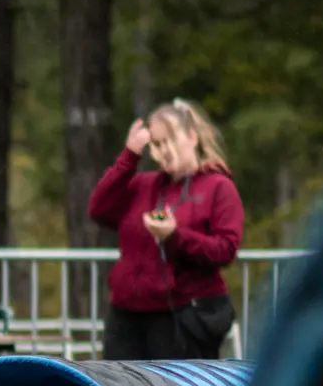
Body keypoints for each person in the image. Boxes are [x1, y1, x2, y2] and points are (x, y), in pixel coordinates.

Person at [87, 97, 243, 361]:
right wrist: (129, 157)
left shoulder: (218, 187)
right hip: (127, 316)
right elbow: (99, 209)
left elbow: (225, 250)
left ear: (192, 137)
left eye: (171, 141)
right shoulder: (143, 185)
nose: (165, 151)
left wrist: (175, 236)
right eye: (157, 145)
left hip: (182, 316)